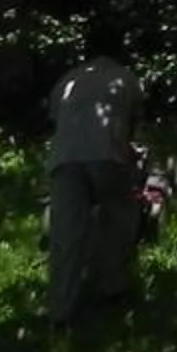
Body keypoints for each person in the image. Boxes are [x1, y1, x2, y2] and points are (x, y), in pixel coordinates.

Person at [46, 45, 144, 326]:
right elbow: (132, 122)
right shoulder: (125, 78)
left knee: (66, 235)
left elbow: (57, 123)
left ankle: (61, 310)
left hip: (65, 159)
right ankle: (112, 286)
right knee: (119, 216)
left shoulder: (68, 80)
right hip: (107, 155)